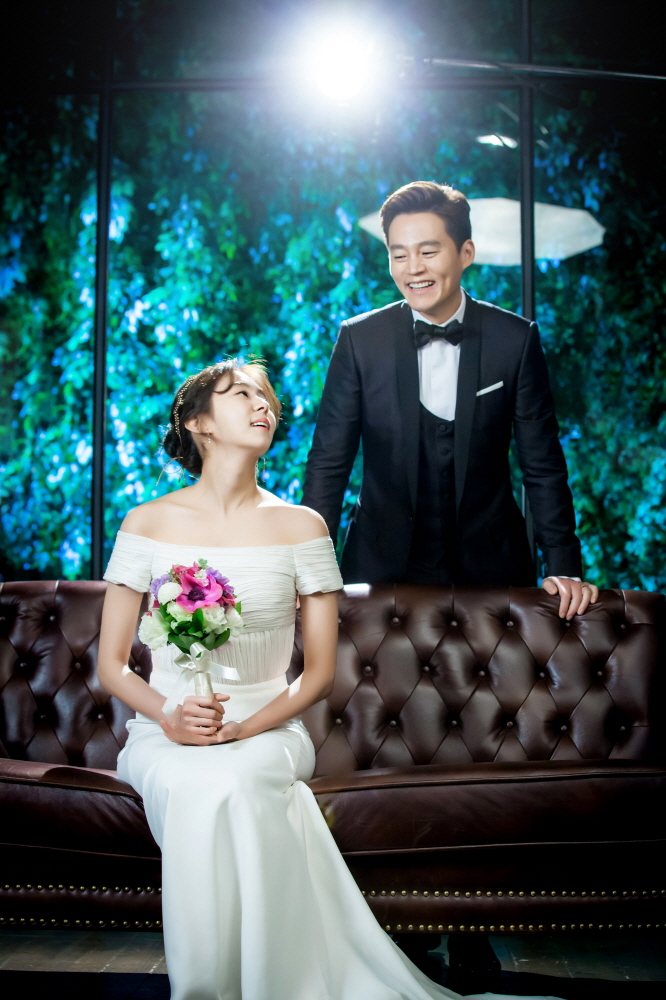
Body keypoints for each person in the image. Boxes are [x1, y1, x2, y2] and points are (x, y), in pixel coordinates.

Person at [98, 359, 562, 1000]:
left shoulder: (304, 527)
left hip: (269, 727)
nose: (263, 405)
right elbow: (111, 664)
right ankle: (207, 989)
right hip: (165, 731)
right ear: (198, 423)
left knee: (233, 779)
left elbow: (316, 675)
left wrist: (243, 728)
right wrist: (170, 717)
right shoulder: (145, 524)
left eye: (267, 397)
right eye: (241, 394)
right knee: (198, 783)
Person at [302, 181, 599, 620]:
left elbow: (542, 464)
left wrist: (563, 566)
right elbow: (329, 463)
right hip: (381, 567)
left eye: (428, 251)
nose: (413, 268)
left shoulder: (514, 340)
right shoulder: (359, 341)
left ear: (466, 253)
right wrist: (307, 570)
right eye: (399, 254)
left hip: (492, 568)